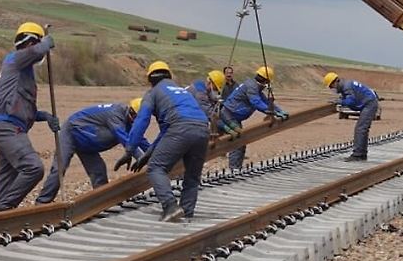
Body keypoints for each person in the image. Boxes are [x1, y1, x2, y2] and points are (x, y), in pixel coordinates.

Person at [114, 61, 210, 222]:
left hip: (180, 128)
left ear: (150, 79)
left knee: (156, 168)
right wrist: (149, 153)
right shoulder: (181, 90)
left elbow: (141, 121)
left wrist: (129, 150)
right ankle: (186, 214)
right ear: (169, 75)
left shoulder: (153, 93)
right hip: (202, 129)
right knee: (192, 177)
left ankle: (170, 206)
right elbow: (167, 130)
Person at [0, 22, 59, 211]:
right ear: (30, 43)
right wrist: (46, 43)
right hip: (9, 129)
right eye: (37, 45)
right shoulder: (15, 60)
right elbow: (35, 52)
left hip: (8, 127)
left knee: (6, 181)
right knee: (33, 168)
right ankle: (6, 206)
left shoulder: (22, 71)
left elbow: (23, 108)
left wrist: (44, 116)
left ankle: (0, 216)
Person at [35, 99, 151, 204]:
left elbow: (141, 141)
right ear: (133, 113)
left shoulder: (130, 123)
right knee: (59, 168)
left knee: (99, 171)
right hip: (71, 132)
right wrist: (143, 160)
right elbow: (126, 140)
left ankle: (102, 202)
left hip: (87, 142)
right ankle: (42, 202)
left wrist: (157, 157)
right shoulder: (116, 114)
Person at [219, 66, 289, 169]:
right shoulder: (252, 86)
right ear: (266, 80)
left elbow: (265, 101)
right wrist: (272, 112)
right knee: (238, 141)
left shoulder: (255, 87)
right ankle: (233, 169)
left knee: (240, 142)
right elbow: (256, 102)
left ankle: (236, 167)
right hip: (228, 115)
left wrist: (279, 110)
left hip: (233, 116)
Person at [323, 72, 379, 162]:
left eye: (331, 86)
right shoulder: (345, 85)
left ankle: (358, 155)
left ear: (335, 82)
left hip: (369, 104)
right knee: (362, 129)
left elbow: (350, 102)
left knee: (361, 129)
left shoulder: (346, 87)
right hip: (368, 102)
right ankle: (362, 154)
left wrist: (339, 102)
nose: (332, 89)